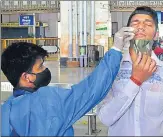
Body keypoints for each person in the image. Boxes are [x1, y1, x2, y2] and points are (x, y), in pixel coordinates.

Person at [1, 26, 153, 136]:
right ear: (26, 77)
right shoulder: (48, 101)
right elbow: (91, 89)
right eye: (40, 66)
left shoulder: (5, 110)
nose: (45, 69)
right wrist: (116, 49)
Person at [97, 6, 163, 136]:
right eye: (135, 23)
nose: (141, 27)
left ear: (156, 35)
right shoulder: (113, 70)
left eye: (148, 24)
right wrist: (135, 81)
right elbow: (105, 118)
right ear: (126, 32)